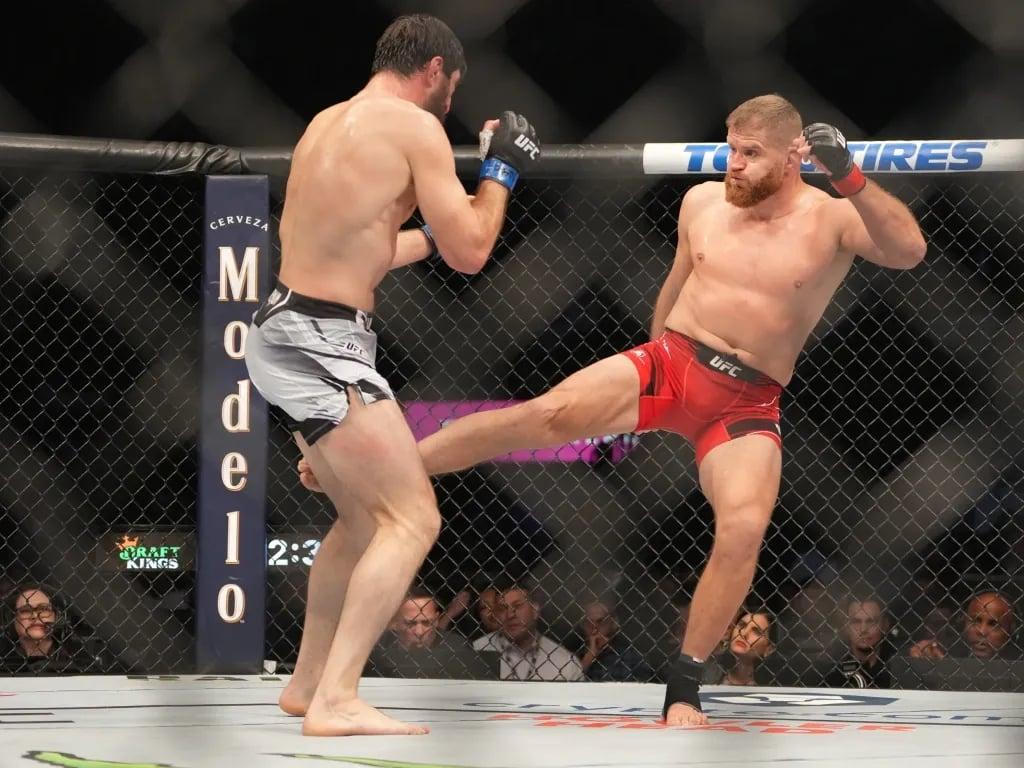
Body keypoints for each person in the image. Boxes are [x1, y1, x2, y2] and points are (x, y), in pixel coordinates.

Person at [300, 93, 926, 724]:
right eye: (731, 148)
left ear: (795, 156)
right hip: (674, 362)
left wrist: (849, 175)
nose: (733, 163)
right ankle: (378, 470)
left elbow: (908, 250)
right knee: (541, 416)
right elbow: (676, 284)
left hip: (748, 401)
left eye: (750, 154)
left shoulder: (831, 218)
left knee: (742, 528)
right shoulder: (703, 202)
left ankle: (684, 687)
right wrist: (655, 371)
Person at [245, 13, 540, 737]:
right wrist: (500, 171)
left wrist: (442, 226)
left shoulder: (327, 123)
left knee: (357, 519)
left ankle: (307, 682)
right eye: (451, 89)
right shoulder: (415, 128)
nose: (449, 104)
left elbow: (369, 248)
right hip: (324, 344)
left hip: (287, 327)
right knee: (413, 518)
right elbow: (473, 253)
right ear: (436, 71)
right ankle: (339, 697)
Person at [824, 597, 894, 688]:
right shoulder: (831, 669)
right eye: (856, 622)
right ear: (846, 626)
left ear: (885, 625)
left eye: (871, 621)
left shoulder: (896, 668)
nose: (863, 629)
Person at [707, 609, 777, 686]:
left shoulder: (776, 686)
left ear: (769, 649)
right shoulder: (706, 670)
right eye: (742, 625)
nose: (744, 633)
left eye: (756, 631)